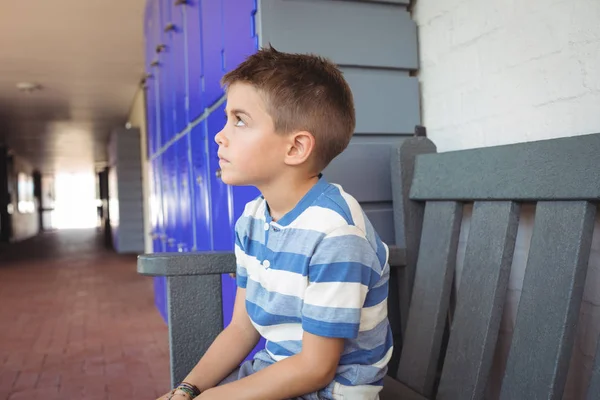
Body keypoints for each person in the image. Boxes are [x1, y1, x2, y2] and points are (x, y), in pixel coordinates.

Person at [160, 46, 392, 400]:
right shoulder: (252, 219)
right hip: (276, 374)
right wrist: (187, 390)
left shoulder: (336, 234)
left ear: (296, 148)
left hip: (331, 392)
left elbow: (316, 368)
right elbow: (242, 327)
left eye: (239, 120)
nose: (219, 135)